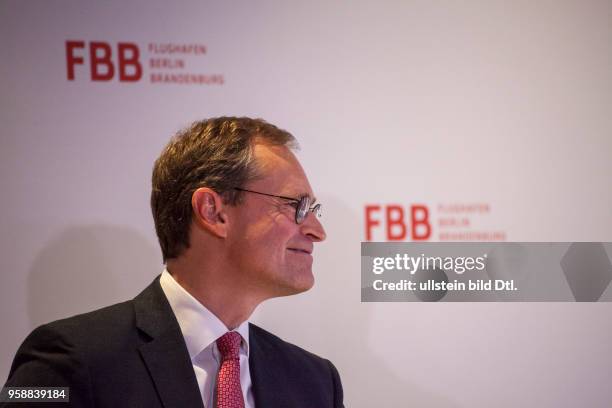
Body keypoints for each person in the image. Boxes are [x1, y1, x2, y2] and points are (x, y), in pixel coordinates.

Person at [2, 117, 344, 407]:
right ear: (213, 212)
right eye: (296, 207)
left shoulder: (315, 383)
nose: (317, 231)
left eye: (313, 211)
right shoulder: (69, 359)